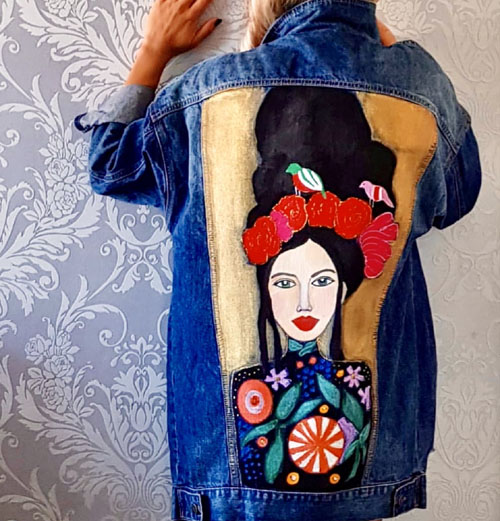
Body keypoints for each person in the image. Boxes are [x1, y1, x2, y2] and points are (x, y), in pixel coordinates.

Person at [73, 0, 482, 520]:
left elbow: (110, 164)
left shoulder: (206, 94)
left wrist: (153, 51)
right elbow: (460, 190)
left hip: (226, 489)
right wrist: (381, 45)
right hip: (376, 480)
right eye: (285, 282)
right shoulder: (421, 89)